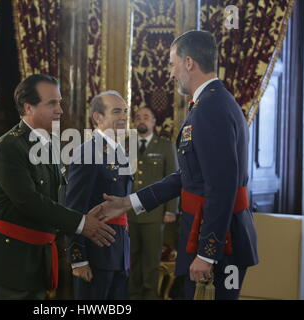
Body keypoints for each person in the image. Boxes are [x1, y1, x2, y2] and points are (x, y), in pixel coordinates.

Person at [98, 30, 259, 300]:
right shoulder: (213, 102)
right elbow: (186, 176)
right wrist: (128, 203)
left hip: (217, 242)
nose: (171, 73)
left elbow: (221, 187)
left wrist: (207, 253)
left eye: (173, 63)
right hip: (215, 235)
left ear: (188, 63)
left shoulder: (211, 108)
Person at [0, 74, 116, 300]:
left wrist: (82, 217)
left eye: (60, 102)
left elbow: (57, 196)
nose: (60, 110)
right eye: (52, 103)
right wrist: (81, 223)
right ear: (28, 107)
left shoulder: (51, 144)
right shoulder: (9, 145)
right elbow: (29, 202)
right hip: (5, 265)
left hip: (36, 262)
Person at [66, 91, 132, 300]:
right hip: (96, 253)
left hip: (119, 252)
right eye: (116, 111)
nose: (123, 117)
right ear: (98, 117)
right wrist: (78, 259)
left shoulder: (120, 151)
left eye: (125, 111)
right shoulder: (88, 152)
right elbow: (73, 209)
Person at [128, 106, 178, 300]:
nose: (141, 120)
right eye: (138, 117)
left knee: (151, 261)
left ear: (154, 122)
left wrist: (171, 209)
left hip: (154, 213)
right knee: (131, 260)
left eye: (146, 117)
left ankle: (149, 297)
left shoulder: (165, 146)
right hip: (128, 212)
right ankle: (131, 297)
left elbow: (173, 178)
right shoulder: (125, 145)